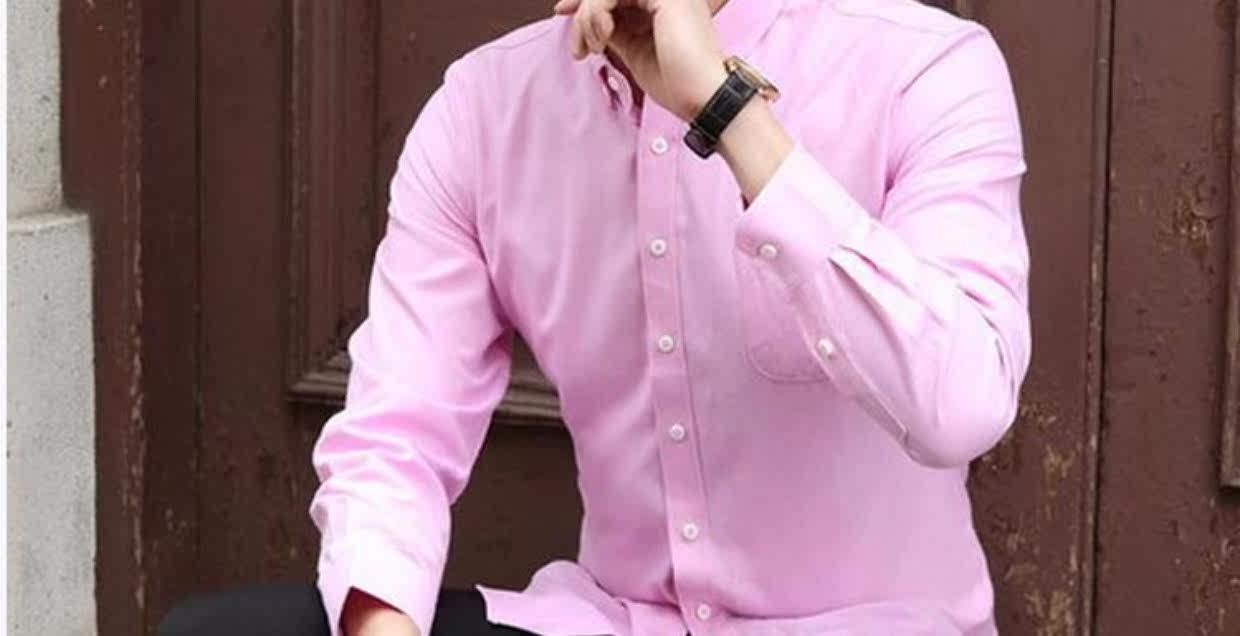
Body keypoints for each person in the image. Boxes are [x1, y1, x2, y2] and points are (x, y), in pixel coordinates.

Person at [159, 0, 1030, 634]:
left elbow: (959, 406)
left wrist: (726, 111)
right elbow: (396, 438)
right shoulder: (483, 110)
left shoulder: (925, 67)